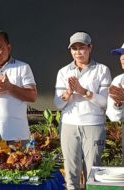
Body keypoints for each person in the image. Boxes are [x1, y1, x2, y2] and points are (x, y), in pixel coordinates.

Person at [53, 31, 112, 189]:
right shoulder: (63, 71)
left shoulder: (102, 70)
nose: (78, 52)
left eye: (82, 47)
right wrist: (67, 94)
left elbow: (105, 102)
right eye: (74, 48)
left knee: (93, 172)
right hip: (69, 125)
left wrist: (84, 91)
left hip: (93, 124)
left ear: (90, 48)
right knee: (71, 173)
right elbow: (58, 104)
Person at [106, 43, 124, 165]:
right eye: (121, 55)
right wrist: (118, 104)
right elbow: (113, 116)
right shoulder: (118, 80)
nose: (122, 58)